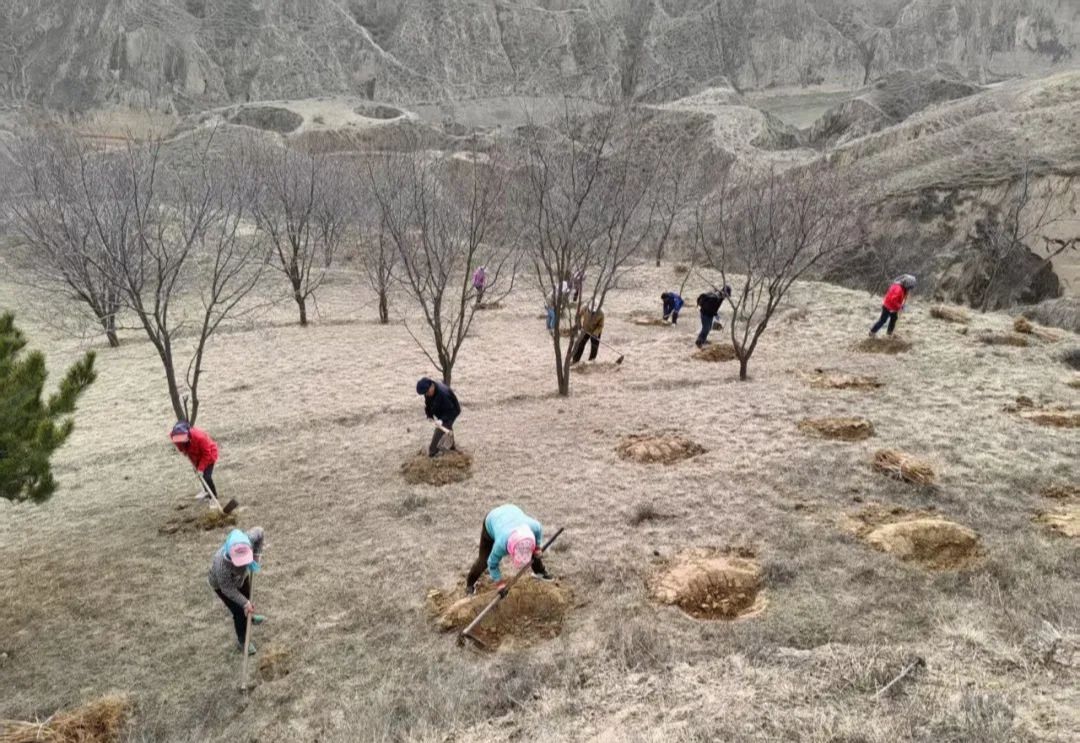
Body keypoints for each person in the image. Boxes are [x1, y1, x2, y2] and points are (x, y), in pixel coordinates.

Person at [465, 504, 552, 596]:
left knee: (534, 552)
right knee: (484, 561)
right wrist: (500, 584)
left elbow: (538, 529)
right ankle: (470, 584)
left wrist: (537, 548)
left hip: (511, 511)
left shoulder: (534, 527)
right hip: (492, 519)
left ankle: (539, 572)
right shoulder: (501, 544)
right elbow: (492, 564)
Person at [208, 527, 265, 655]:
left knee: (247, 597)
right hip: (222, 586)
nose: (243, 565)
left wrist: (256, 555)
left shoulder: (248, 539)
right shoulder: (221, 565)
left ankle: (249, 618)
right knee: (239, 610)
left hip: (240, 578)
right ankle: (243, 641)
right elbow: (228, 589)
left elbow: (260, 532)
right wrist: (244, 603)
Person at [170, 421, 220, 500]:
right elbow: (179, 444)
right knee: (200, 476)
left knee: (206, 477)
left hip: (209, 455)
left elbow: (206, 454)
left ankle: (213, 497)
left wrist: (201, 468)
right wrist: (183, 450)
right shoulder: (173, 435)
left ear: (187, 434)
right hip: (194, 456)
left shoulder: (200, 438)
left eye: (182, 439)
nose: (180, 441)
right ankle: (206, 491)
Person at [416, 377, 460, 457]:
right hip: (442, 410)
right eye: (425, 393)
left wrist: (442, 420)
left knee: (441, 428)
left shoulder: (443, 394)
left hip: (452, 411)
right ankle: (451, 446)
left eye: (427, 392)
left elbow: (450, 411)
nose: (426, 395)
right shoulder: (428, 391)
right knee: (447, 427)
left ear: (431, 386)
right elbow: (428, 404)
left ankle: (433, 451)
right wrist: (429, 415)